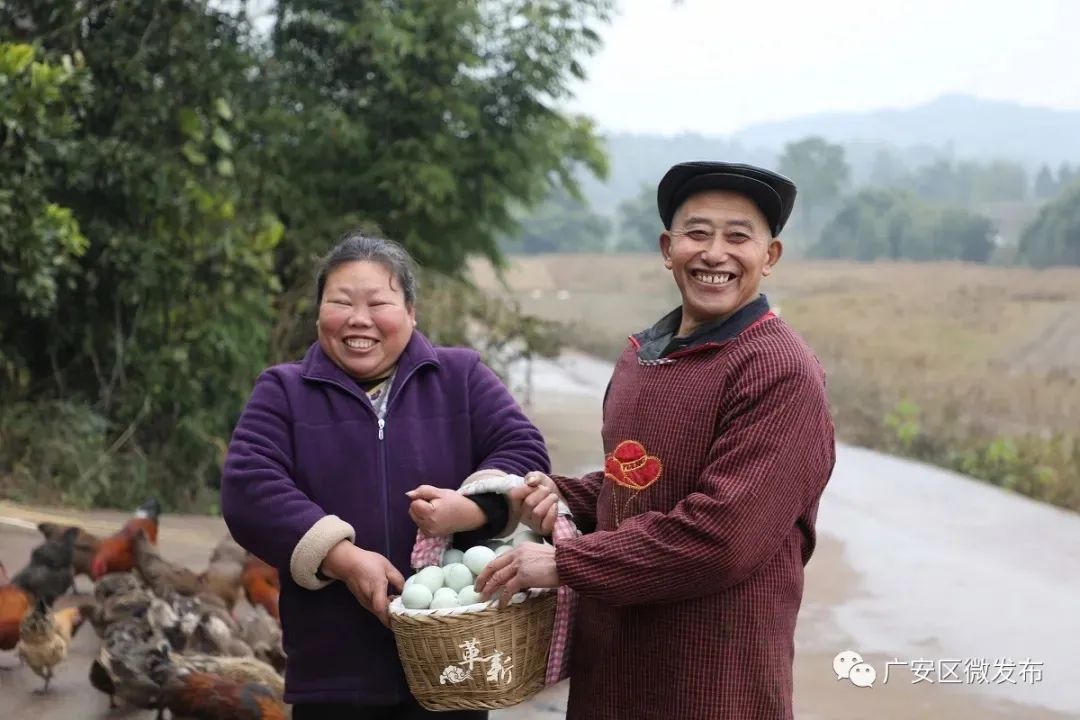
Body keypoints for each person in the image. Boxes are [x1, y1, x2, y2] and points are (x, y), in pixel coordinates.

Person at [476, 161, 837, 720]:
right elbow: (634, 487)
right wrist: (541, 497)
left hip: (714, 688)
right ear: (668, 248)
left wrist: (567, 563)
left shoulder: (778, 371)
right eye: (697, 233)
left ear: (770, 257)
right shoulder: (644, 354)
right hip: (613, 677)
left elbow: (722, 538)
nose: (714, 253)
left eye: (738, 236)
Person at [220, 232, 550, 720]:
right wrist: (342, 557)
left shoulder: (461, 376)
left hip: (454, 670)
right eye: (341, 302)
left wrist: (472, 506)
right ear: (319, 315)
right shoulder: (283, 392)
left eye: (379, 302)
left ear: (412, 313)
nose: (359, 319)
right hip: (332, 679)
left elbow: (524, 449)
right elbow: (248, 486)